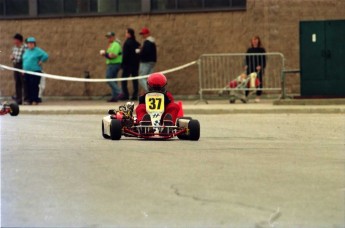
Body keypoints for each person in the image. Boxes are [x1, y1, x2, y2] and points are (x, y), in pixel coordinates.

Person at [22, 37, 48, 105]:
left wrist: (41, 61)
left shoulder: (38, 50)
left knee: (34, 85)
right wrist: (23, 69)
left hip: (35, 71)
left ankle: (35, 99)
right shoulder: (26, 51)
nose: (30, 45)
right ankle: (29, 100)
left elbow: (45, 55)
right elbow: (24, 60)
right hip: (27, 71)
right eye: (29, 43)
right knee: (28, 86)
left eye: (32, 43)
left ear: (34, 44)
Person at [100, 32, 123, 102]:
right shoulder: (112, 44)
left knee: (109, 78)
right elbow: (109, 54)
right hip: (112, 64)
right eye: (108, 37)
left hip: (114, 64)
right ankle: (115, 97)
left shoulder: (115, 44)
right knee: (113, 80)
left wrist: (104, 53)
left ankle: (119, 92)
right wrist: (106, 54)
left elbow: (113, 55)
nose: (108, 38)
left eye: (110, 37)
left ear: (113, 37)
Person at [245, 35, 266, 103]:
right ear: (252, 41)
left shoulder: (262, 50)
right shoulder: (249, 50)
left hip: (258, 69)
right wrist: (246, 65)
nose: (255, 41)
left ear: (258, 41)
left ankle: (258, 96)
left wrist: (261, 66)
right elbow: (246, 59)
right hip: (250, 67)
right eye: (253, 40)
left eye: (256, 40)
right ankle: (246, 96)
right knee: (247, 82)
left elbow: (264, 59)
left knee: (258, 82)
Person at [121, 28, 141, 101]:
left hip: (127, 65)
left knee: (124, 80)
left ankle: (125, 95)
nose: (125, 34)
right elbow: (138, 53)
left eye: (126, 33)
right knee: (135, 80)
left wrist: (122, 64)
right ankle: (135, 95)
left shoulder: (127, 43)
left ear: (129, 34)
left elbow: (125, 55)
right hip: (135, 65)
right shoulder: (136, 43)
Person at [138, 27, 157, 92]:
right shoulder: (152, 42)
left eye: (144, 34)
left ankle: (151, 91)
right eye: (142, 34)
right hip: (152, 62)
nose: (143, 35)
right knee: (149, 79)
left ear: (148, 34)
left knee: (141, 78)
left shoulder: (147, 42)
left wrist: (140, 51)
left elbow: (146, 52)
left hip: (146, 62)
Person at [10, 33, 26, 105]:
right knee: (17, 83)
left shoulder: (25, 47)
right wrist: (12, 58)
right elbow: (13, 57)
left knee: (24, 83)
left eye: (16, 40)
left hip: (22, 66)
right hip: (16, 65)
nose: (14, 41)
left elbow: (26, 58)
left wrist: (24, 68)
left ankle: (25, 99)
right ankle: (18, 99)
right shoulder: (14, 48)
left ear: (20, 41)